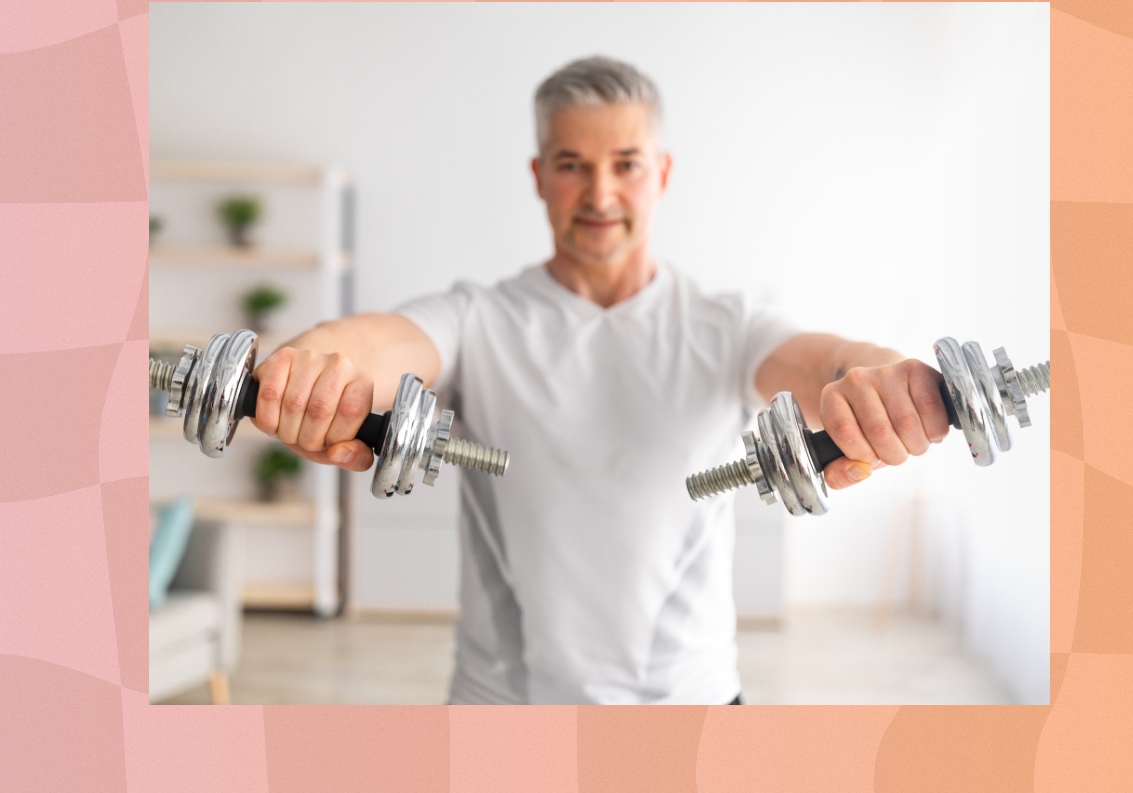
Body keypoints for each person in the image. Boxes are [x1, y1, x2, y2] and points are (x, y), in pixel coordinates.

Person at [250, 56, 950, 705]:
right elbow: (381, 342)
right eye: (572, 164)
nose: (600, 192)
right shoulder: (480, 317)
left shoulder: (727, 324)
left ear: (664, 172)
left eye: (626, 164)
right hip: (506, 710)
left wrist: (880, 378)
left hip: (694, 705)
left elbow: (825, 361)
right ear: (536, 176)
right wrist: (319, 357)